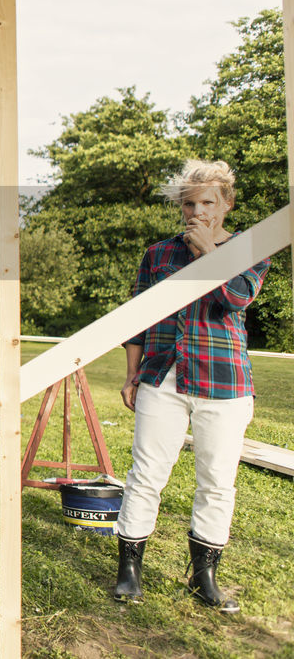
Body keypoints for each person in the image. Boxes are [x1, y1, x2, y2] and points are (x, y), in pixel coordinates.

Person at [112, 160, 269, 612]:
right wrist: (131, 374)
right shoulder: (158, 254)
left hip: (225, 381)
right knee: (146, 473)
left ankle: (205, 578)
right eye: (188, 203)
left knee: (217, 481)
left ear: (226, 204)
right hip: (163, 376)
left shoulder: (250, 248)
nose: (196, 211)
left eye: (206, 202)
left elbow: (235, 298)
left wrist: (207, 252)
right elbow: (137, 318)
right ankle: (130, 572)